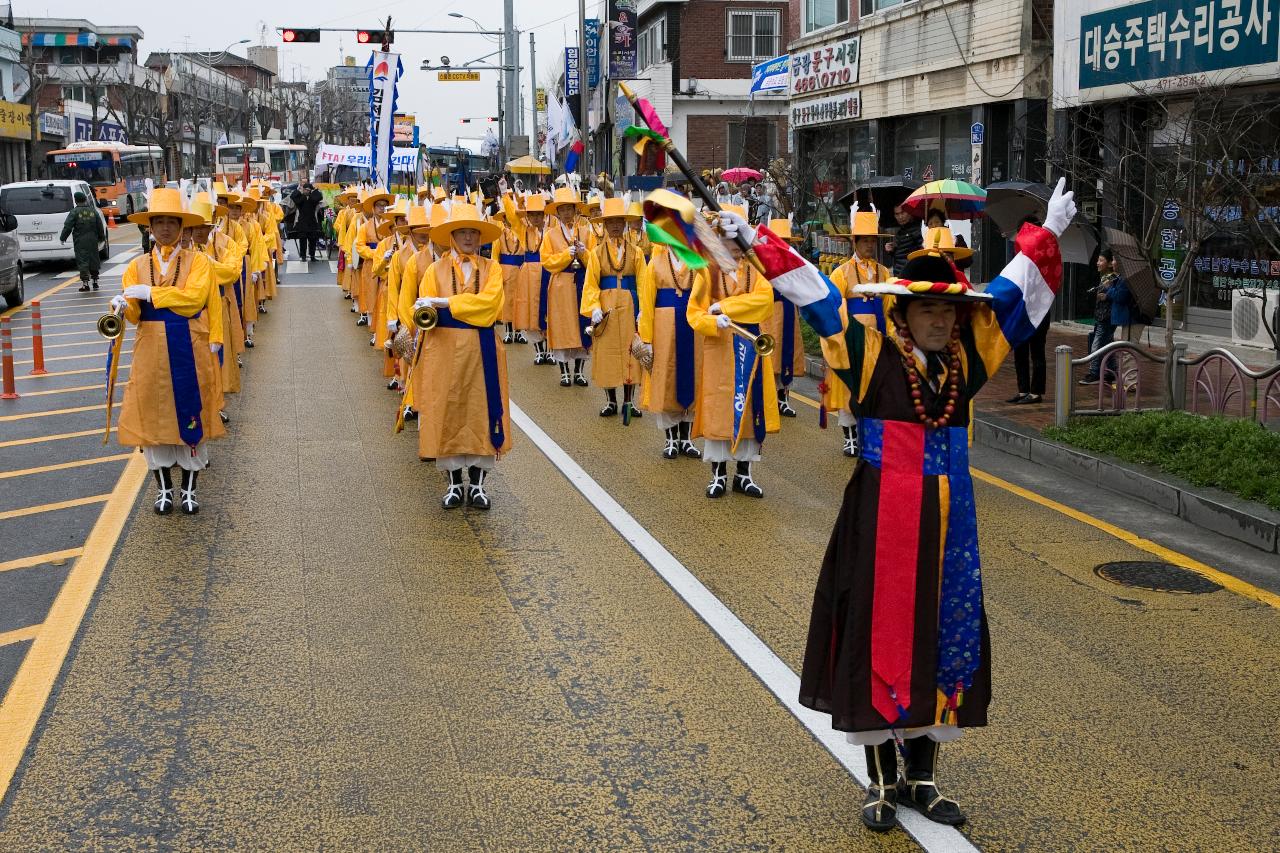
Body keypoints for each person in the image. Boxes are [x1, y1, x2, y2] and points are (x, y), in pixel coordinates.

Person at [777, 178, 1077, 833]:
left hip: (950, 524)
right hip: (881, 515)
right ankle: (881, 782)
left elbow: (1011, 291)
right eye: (927, 310)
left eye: (948, 311)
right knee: (880, 636)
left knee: (944, 637)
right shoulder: (868, 355)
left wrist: (1047, 231)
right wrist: (754, 241)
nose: (940, 320)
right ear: (903, 313)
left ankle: (923, 776)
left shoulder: (968, 360)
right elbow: (817, 297)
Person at [111, 187, 224, 515]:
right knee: (153, 420)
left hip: (188, 346)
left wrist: (152, 293)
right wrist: (121, 304)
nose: (164, 228)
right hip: (150, 351)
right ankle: (164, 490)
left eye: (170, 222)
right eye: (157, 221)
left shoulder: (198, 262)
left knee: (190, 413)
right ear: (149, 227)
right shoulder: (136, 265)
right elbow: (133, 314)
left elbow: (193, 300)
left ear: (181, 226)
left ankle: (189, 490)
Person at [411, 203, 512, 509]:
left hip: (483, 349)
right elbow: (424, 308)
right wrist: (423, 307)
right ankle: (454, 484)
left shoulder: (491, 268)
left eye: (474, 232)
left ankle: (479, 486)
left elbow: (490, 307)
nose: (469, 237)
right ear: (452, 235)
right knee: (448, 410)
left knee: (482, 410)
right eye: (463, 232)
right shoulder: (433, 270)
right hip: (443, 348)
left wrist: (447, 302)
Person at [688, 205, 779, 498]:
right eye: (727, 238)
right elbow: (694, 314)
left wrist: (726, 306)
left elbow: (764, 301)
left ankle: (744, 474)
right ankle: (717, 474)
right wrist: (713, 320)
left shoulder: (756, 270)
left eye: (737, 236)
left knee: (749, 405)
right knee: (719, 408)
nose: (733, 244)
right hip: (719, 348)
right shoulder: (706, 271)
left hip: (749, 345)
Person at [636, 190, 703, 461]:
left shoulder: (696, 258)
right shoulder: (656, 260)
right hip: (663, 325)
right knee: (665, 378)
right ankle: (670, 439)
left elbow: (707, 290)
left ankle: (687, 437)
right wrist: (647, 337)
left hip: (692, 322)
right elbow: (646, 299)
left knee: (692, 374)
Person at [827, 208, 892, 456]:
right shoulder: (841, 272)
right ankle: (850, 435)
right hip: (853, 337)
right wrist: (843, 334)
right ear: (855, 241)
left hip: (877, 337)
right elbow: (835, 304)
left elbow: (889, 305)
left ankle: (870, 433)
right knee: (850, 385)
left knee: (874, 386)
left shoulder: (884, 273)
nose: (869, 245)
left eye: (872, 240)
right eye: (864, 240)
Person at [581, 197, 646, 420]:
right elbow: (590, 283)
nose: (615, 225)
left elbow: (643, 282)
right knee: (607, 352)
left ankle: (630, 401)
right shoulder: (597, 253)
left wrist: (643, 309)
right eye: (611, 221)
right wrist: (594, 307)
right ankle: (611, 400)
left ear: (625, 223)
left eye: (619, 221)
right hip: (606, 306)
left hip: (630, 304)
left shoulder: (636, 252)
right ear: (605, 225)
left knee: (631, 351)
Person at [541, 187, 595, 386]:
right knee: (563, 326)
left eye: (569, 209)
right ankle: (564, 371)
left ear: (575, 210)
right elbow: (546, 261)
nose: (566, 213)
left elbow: (595, 261)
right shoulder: (550, 235)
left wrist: (583, 253)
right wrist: (566, 255)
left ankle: (579, 371)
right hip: (561, 284)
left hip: (582, 281)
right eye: (562, 209)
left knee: (582, 325)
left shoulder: (586, 232)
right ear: (557, 212)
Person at [760, 219, 806, 418]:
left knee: (788, 353)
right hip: (772, 312)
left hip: (789, 310)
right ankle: (768, 397)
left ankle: (784, 397)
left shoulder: (794, 261)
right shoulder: (762, 262)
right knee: (772, 354)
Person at [1079, 248, 1122, 385]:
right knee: (1107, 344)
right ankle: (1112, 372)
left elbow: (1114, 296)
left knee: (1096, 345)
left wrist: (1106, 293)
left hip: (1107, 318)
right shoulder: (1105, 278)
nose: (1098, 263)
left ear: (1110, 263)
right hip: (1101, 316)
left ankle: (1094, 373)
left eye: (1101, 260)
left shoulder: (1113, 279)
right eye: (1098, 260)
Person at [60, 192, 106, 291]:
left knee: (83, 260)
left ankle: (85, 283)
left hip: (80, 240)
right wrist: (101, 238)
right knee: (94, 259)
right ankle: (95, 281)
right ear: (85, 199)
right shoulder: (93, 211)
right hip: (93, 239)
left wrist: (63, 238)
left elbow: (68, 226)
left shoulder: (74, 212)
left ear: (76, 200)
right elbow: (100, 226)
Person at [925, 208, 971, 272]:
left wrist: (956, 245)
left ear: (942, 223)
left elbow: (968, 262)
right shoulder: (926, 243)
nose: (934, 225)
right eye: (930, 223)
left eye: (937, 222)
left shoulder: (957, 237)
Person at [290, 180, 325, 261]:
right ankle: (303, 256)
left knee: (312, 240)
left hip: (312, 221)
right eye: (305, 189)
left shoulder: (313, 198)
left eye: (308, 190)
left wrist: (314, 190)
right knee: (303, 240)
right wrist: (300, 189)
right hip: (302, 222)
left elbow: (319, 196)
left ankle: (312, 255)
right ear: (303, 189)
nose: (307, 191)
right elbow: (293, 196)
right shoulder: (300, 198)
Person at [884, 204, 923, 277]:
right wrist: (892, 250)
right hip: (899, 275)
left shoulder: (918, 230)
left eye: (903, 213)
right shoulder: (900, 232)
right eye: (897, 214)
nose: (900, 217)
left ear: (910, 212)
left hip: (912, 276)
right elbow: (901, 255)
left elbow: (922, 252)